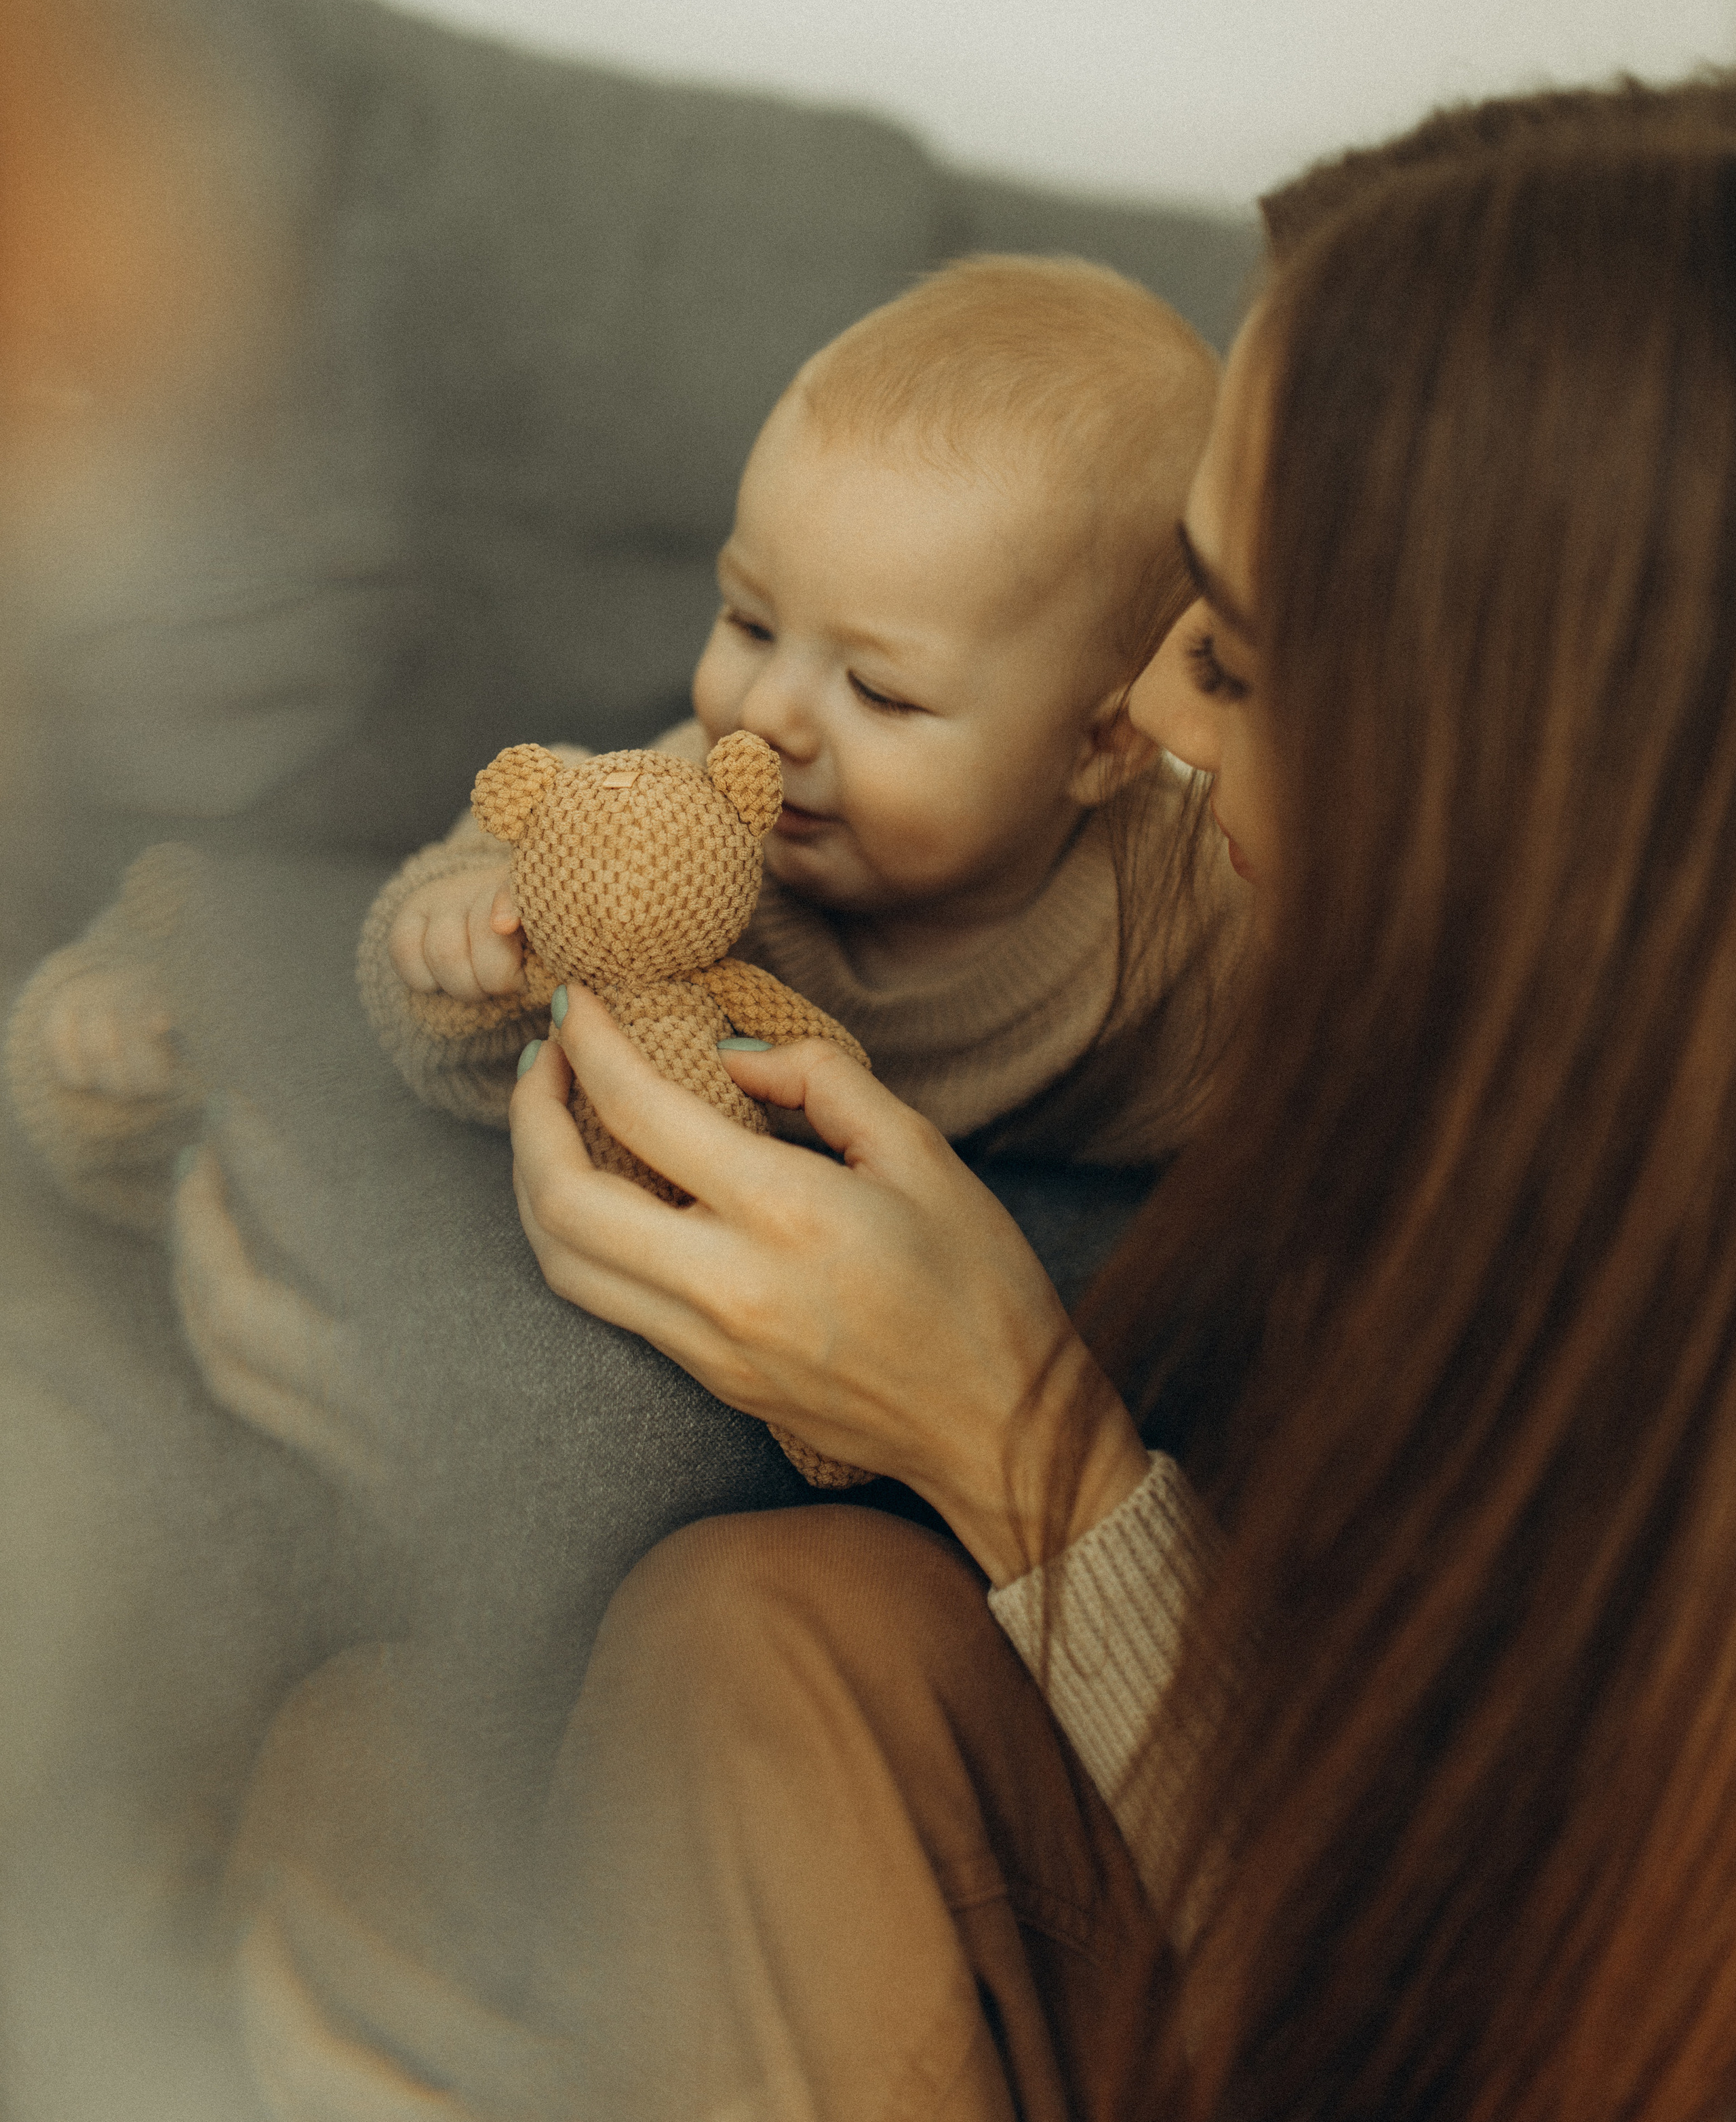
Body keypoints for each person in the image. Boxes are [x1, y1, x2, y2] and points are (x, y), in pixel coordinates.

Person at [453, 103, 1736, 2119]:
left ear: (1523, 778)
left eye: (1224, 650)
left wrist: (1018, 1440)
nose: (1141, 727)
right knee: (768, 1629)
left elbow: (1471, 2010)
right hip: (1283, 1883)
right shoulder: (1463, 1078)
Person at [7, 257, 1245, 1237]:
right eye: (749, 621)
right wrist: (459, 948)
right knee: (277, 1017)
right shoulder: (668, 824)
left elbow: (1328, 1052)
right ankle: (150, 1002)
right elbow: (460, 1010)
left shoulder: (1188, 903)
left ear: (1106, 745)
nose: (769, 717)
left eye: (880, 690)